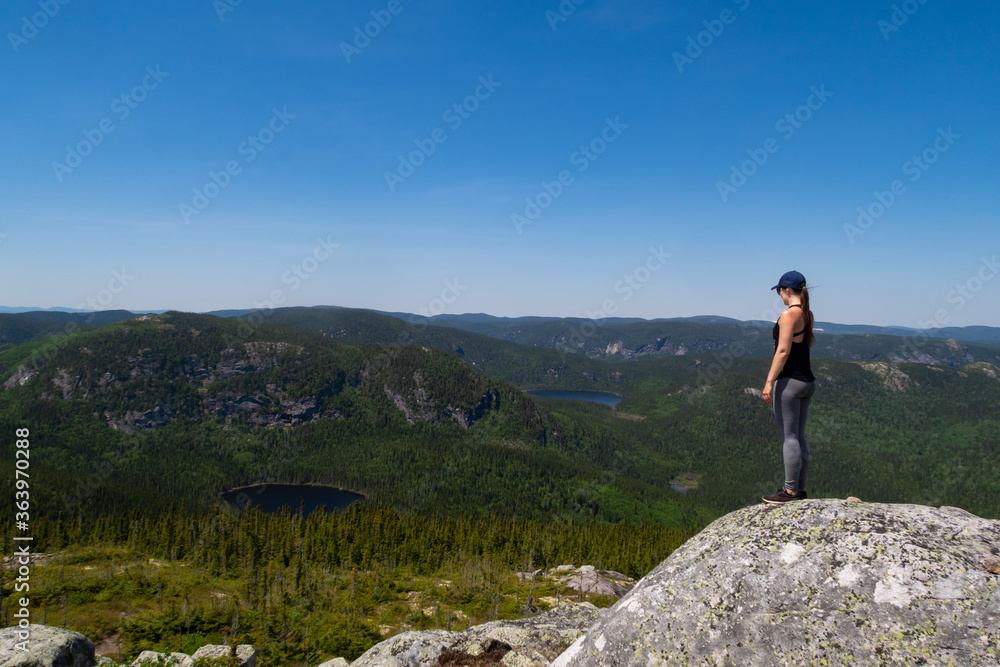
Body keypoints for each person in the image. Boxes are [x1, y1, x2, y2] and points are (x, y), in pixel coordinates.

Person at [761, 270, 816, 504]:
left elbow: (783, 351)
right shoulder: (806, 314)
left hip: (790, 382)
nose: (780, 296)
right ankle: (799, 488)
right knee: (798, 437)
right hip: (807, 381)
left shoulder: (788, 315)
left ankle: (790, 491)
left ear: (785, 290)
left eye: (780, 291)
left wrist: (769, 382)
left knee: (789, 438)